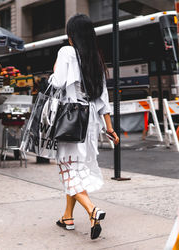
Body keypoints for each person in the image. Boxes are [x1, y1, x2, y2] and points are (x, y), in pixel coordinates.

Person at [48, 14, 119, 240]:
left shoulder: (66, 52)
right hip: (90, 124)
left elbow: (56, 83)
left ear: (72, 36)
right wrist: (110, 128)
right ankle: (67, 217)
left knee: (69, 169)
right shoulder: (95, 59)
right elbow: (102, 98)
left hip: (70, 121)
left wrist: (55, 68)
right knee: (76, 169)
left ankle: (92, 210)